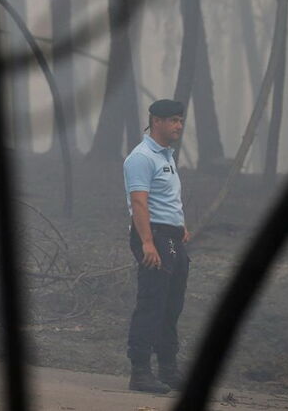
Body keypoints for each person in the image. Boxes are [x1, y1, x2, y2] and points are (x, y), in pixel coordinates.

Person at [123, 99, 191, 393]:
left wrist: (180, 225)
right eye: (173, 120)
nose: (179, 126)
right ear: (156, 121)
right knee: (152, 303)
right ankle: (140, 372)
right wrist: (148, 243)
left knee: (172, 305)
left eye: (180, 120)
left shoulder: (166, 156)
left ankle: (168, 369)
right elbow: (139, 202)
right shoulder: (141, 158)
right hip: (154, 237)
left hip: (171, 237)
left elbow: (166, 198)